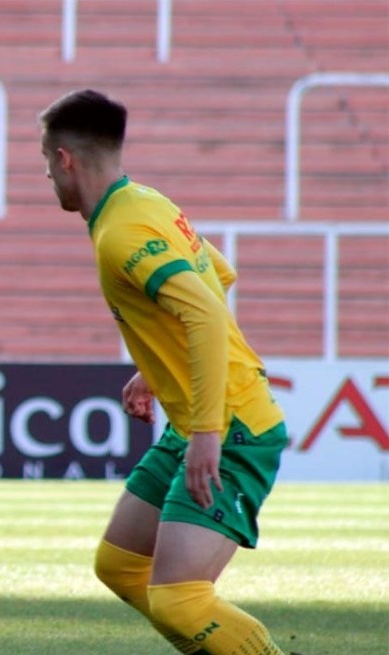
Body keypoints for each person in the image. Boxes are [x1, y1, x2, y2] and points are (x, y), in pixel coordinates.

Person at [38, 89, 289, 655]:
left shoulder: (120, 234)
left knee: (180, 599)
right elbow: (218, 275)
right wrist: (154, 370)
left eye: (44, 163)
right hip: (200, 420)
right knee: (121, 565)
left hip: (232, 426)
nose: (47, 178)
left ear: (65, 159)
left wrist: (206, 433)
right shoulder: (145, 201)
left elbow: (201, 306)